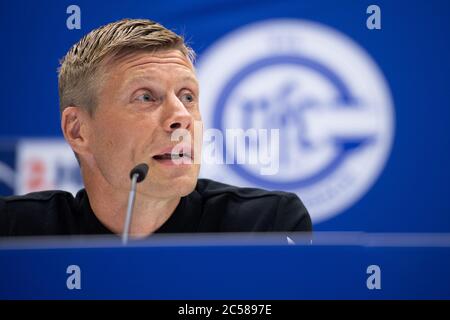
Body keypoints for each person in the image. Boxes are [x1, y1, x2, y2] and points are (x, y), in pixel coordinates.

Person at [0, 18, 311, 237]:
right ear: (78, 130)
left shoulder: (265, 226)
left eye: (187, 96)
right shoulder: (15, 232)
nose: (181, 117)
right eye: (146, 97)